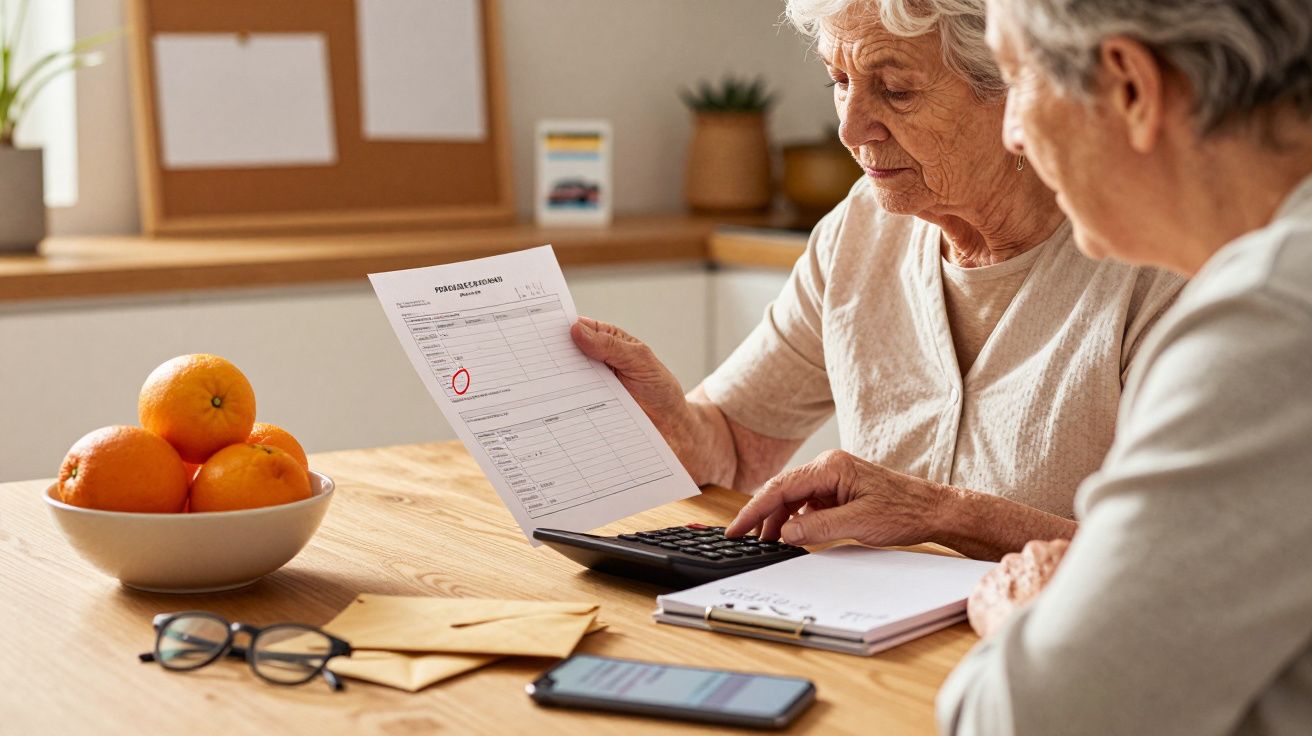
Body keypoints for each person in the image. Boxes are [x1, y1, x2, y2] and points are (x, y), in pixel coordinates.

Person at [576, 0, 1181, 561]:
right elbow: (733, 445)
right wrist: (674, 421)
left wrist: (945, 515)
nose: (850, 128)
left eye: (896, 90)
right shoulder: (860, 228)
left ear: (1018, 88)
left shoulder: (1158, 263)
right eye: (840, 82)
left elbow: (1175, 564)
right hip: (875, 647)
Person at [933, 0, 1312, 733]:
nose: (1011, 131)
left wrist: (1030, 614)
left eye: (1016, 76)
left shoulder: (1268, 320)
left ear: (1131, 87)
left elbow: (1024, 722)